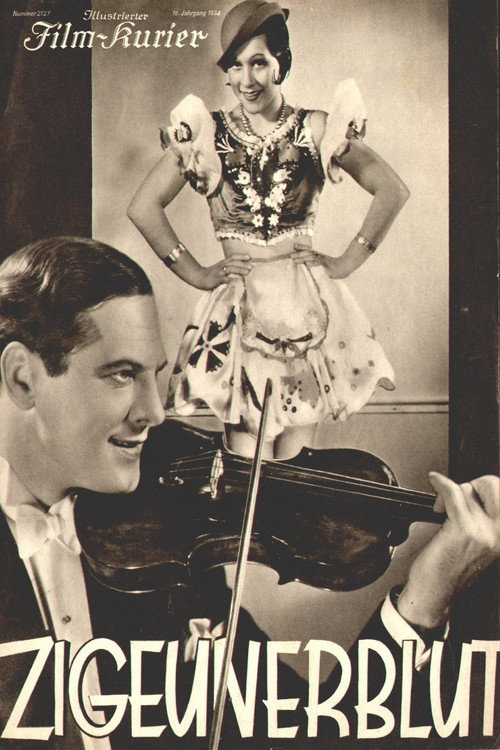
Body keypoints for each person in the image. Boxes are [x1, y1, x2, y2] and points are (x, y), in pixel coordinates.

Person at [0, 237, 498, 749]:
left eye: (155, 376)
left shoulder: (167, 529)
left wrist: (424, 600)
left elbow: (306, 737)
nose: (154, 412)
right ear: (23, 379)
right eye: (122, 375)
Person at [127, 0, 409, 461]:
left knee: (297, 465)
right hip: (241, 306)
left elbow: (392, 190)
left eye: (258, 62)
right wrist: (197, 273)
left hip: (306, 306)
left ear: (282, 62)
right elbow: (144, 207)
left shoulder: (315, 128)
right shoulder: (207, 133)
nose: (247, 79)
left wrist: (347, 261)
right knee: (242, 462)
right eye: (235, 66)